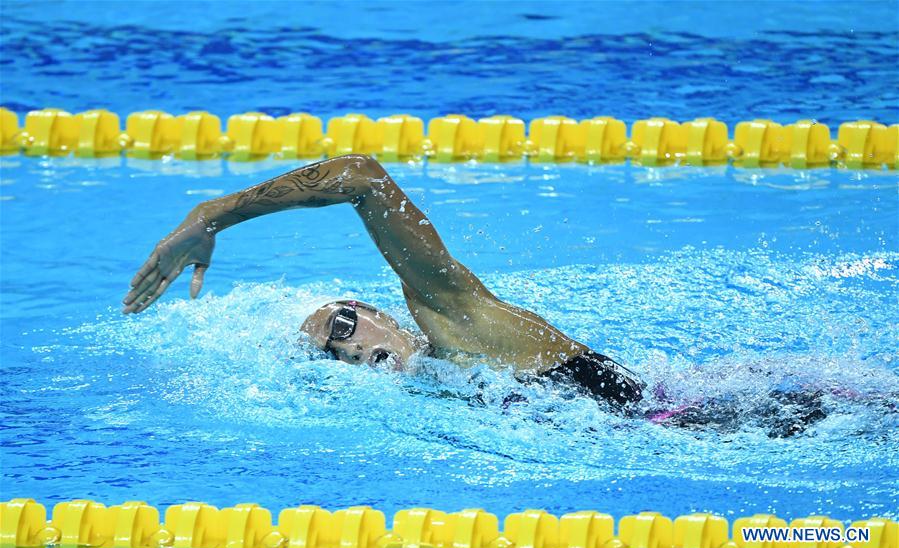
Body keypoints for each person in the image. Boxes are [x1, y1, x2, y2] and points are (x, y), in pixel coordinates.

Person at [123, 154, 644, 409]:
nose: (347, 351)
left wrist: (213, 215)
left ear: (375, 312)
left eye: (342, 326)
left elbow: (364, 177)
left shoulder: (458, 322)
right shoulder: (434, 389)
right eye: (330, 355)